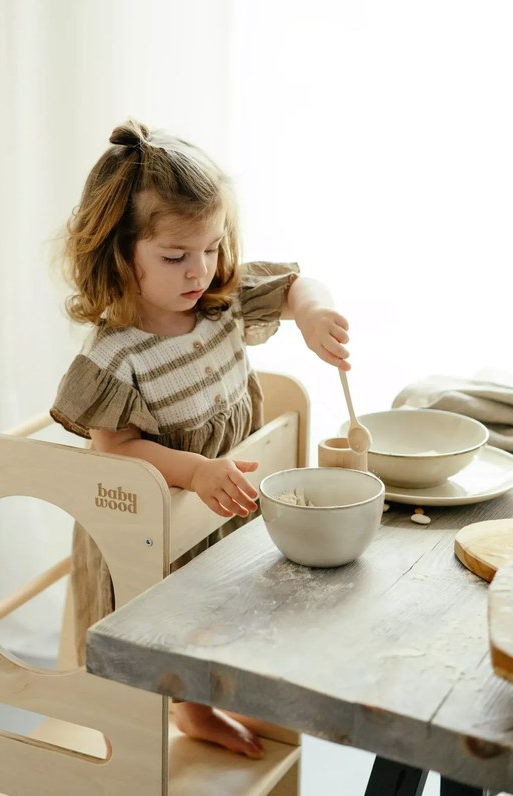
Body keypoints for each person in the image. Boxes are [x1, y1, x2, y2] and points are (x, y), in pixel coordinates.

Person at [50, 120, 351, 759]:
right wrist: (192, 471)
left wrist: (315, 312)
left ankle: (207, 698)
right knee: (167, 620)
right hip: (155, 515)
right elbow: (115, 450)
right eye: (175, 256)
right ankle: (184, 712)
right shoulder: (115, 354)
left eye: (212, 248)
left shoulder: (223, 301)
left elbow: (297, 285)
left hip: (218, 501)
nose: (200, 270)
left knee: (219, 609)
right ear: (120, 253)